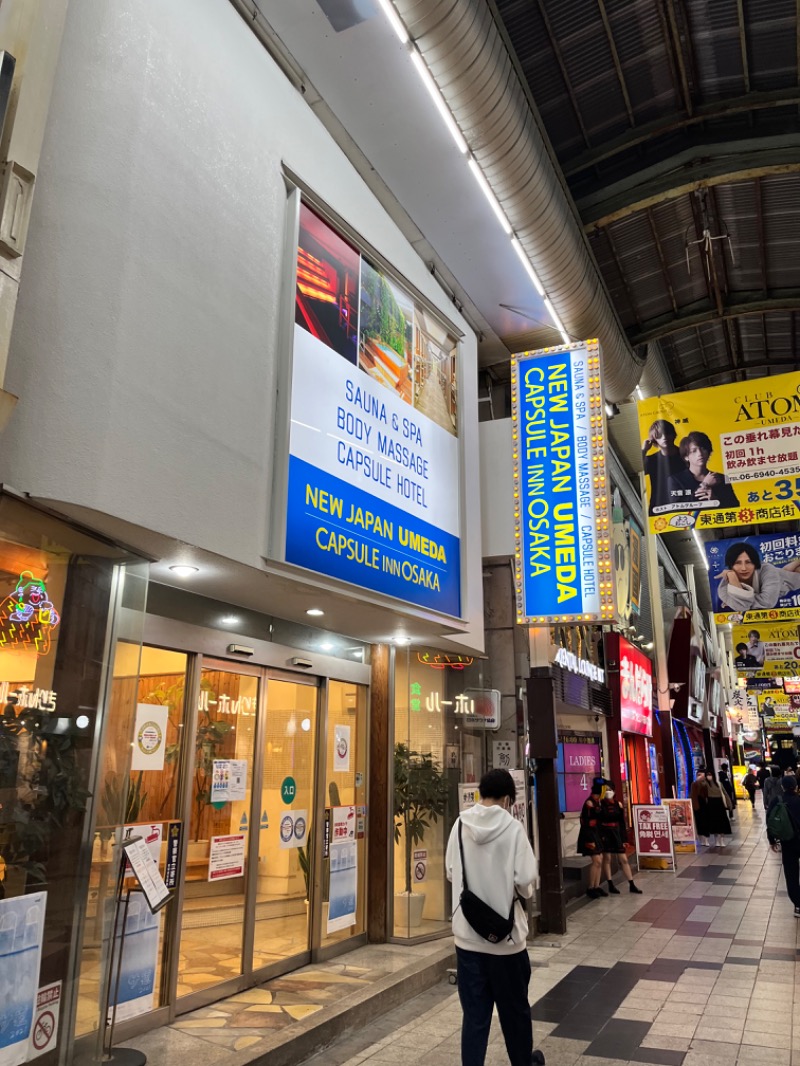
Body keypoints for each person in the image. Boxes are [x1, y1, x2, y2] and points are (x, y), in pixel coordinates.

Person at [446, 769, 539, 1066]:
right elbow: (526, 882)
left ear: (480, 793)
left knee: (475, 1017)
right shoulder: (513, 829)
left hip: (467, 940)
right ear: (508, 798)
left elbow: (451, 872)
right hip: (506, 942)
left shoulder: (460, 824)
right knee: (514, 1014)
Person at [717, 542, 800, 614]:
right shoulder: (723, 589)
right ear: (730, 566)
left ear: (755, 563)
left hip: (784, 581)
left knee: (793, 575)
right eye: (737, 563)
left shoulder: (767, 569)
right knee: (785, 571)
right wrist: (732, 577)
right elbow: (742, 606)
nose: (743, 568)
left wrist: (736, 599)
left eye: (748, 562)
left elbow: (767, 602)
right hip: (777, 575)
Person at [667, 431, 739, 509]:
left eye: (703, 449)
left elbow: (735, 507)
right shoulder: (675, 480)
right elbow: (676, 508)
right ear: (686, 457)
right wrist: (704, 484)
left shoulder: (721, 478)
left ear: (708, 452)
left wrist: (715, 501)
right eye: (694, 451)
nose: (700, 454)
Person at [597, 787, 642, 894]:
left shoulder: (619, 804)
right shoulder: (600, 804)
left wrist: (624, 838)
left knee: (623, 859)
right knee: (607, 858)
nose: (608, 792)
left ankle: (631, 884)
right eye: (606, 790)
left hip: (616, 833)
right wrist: (601, 836)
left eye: (610, 790)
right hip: (606, 833)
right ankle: (610, 884)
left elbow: (622, 823)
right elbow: (599, 822)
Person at [766, 774, 800, 917]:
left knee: (791, 874)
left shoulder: (777, 801)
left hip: (787, 842)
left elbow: (770, 821)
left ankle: (798, 905)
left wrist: (772, 841)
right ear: (796, 787)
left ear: (782, 787)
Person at [642, 420, 683, 513]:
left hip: (687, 505)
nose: (664, 437)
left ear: (673, 434)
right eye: (659, 435)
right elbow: (640, 471)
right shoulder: (651, 460)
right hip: (660, 509)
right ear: (654, 440)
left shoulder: (687, 456)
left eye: (667, 433)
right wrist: (644, 450)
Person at [577, 778, 607, 899]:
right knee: (597, 860)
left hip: (596, 833)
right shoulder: (589, 803)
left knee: (600, 859)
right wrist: (591, 840)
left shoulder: (598, 802)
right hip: (588, 834)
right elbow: (586, 822)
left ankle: (596, 886)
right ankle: (590, 887)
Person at [704, 771, 732, 846]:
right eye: (707, 775)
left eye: (710, 774)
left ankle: (722, 840)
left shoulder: (719, 783)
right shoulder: (705, 784)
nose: (709, 776)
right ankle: (716, 840)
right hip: (711, 804)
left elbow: (725, 793)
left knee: (722, 822)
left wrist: (729, 803)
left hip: (719, 804)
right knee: (714, 823)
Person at [690, 770, 711, 842]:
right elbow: (694, 795)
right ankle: (702, 838)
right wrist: (695, 806)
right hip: (698, 804)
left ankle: (706, 838)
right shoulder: (694, 784)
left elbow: (706, 794)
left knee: (705, 821)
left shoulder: (705, 784)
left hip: (704, 804)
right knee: (699, 821)